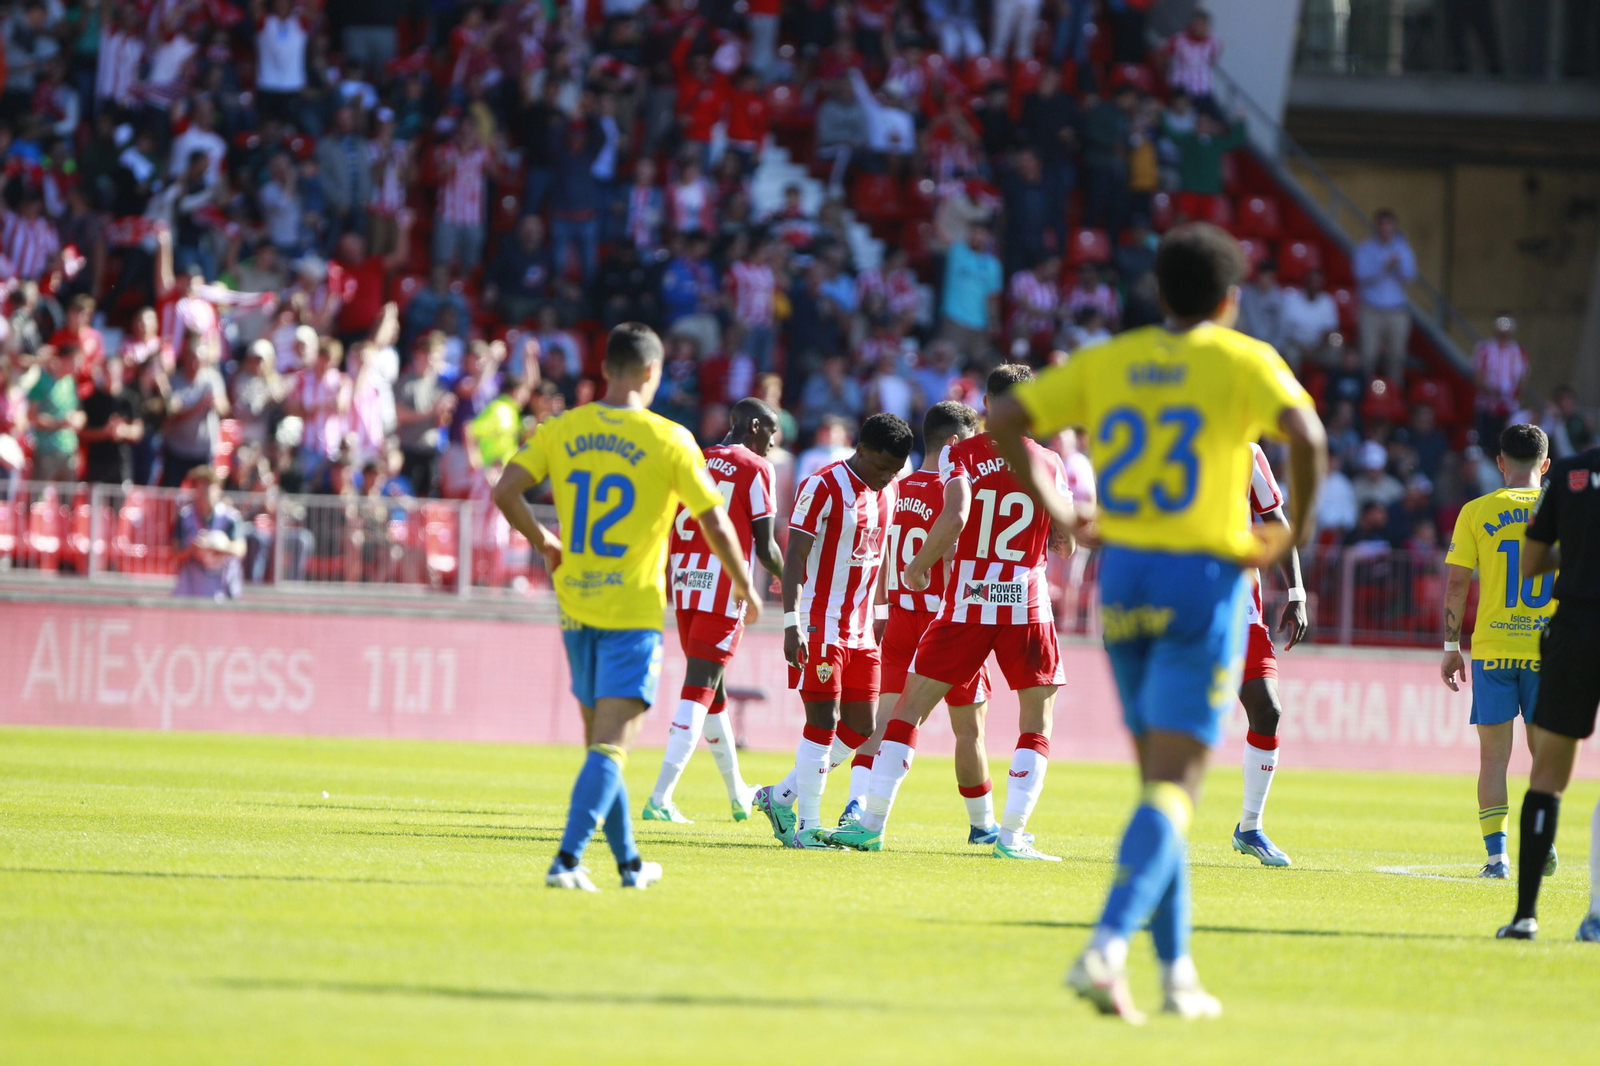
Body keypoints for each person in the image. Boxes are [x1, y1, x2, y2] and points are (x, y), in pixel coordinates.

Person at [989, 222, 1327, 1020]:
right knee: (1177, 785)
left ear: (1157, 292)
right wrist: (1293, 534)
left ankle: (1176, 977)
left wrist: (1065, 513)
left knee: (1157, 786)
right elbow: (1307, 436)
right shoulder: (1241, 359)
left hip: (1126, 575)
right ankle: (1107, 947)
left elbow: (1006, 415)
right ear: (1231, 298)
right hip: (1201, 576)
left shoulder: (1109, 360)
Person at [491, 323, 759, 892]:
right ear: (651, 373)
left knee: (600, 747)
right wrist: (745, 584)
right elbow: (714, 521)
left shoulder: (562, 428)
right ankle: (566, 861)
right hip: (632, 612)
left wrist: (544, 543)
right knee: (613, 747)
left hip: (575, 605)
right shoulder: (670, 439)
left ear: (605, 367)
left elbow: (505, 491)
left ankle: (629, 865)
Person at [828, 368, 1073, 859]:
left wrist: (918, 567)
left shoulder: (961, 454)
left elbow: (956, 516)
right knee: (1035, 720)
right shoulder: (1049, 461)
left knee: (908, 709)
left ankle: (871, 822)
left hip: (965, 603)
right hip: (1025, 602)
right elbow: (1064, 540)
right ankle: (1010, 836)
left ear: (986, 402)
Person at [752, 413, 915, 848]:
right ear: (860, 450)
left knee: (862, 727)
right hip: (820, 625)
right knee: (822, 722)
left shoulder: (891, 490)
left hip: (861, 630)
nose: (886, 478)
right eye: (881, 467)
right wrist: (792, 624)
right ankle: (808, 827)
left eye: (894, 471)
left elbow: (879, 556)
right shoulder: (822, 486)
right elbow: (795, 562)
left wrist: (880, 611)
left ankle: (779, 797)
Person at [836, 401, 997, 838]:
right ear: (956, 442)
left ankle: (856, 804)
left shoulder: (895, 487)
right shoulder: (956, 493)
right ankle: (983, 825)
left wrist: (882, 605)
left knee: (884, 720)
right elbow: (953, 550)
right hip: (948, 623)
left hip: (901, 618)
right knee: (969, 730)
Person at [645, 398, 786, 823]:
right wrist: (794, 580)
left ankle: (738, 793)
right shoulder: (757, 468)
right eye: (772, 434)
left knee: (713, 694)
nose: (773, 444)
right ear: (756, 427)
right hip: (724, 586)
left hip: (685, 580)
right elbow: (765, 546)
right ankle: (660, 797)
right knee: (699, 689)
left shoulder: (697, 458)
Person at [1495, 433, 1600, 942]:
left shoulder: (1572, 475)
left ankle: (1525, 916)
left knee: (1548, 779)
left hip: (1575, 633)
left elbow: (1533, 562)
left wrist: (1576, 556)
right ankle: (1596, 917)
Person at [1441, 425, 1558, 881]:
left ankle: (1497, 859)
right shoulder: (1565, 512)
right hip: (1548, 652)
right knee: (1545, 759)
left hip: (1492, 651)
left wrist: (1451, 647)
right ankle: (1542, 841)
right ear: (1545, 465)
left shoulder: (1476, 511)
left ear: (1500, 463)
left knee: (1493, 759)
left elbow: (1455, 584)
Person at [1229, 444, 1310, 867]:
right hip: (1185, 604)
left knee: (1269, 709)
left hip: (1241, 608)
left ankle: (1250, 826)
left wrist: (1296, 592)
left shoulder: (1248, 453)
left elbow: (1277, 522)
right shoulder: (1171, 438)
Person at [1352, 210, 1417, 384]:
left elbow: (1410, 276)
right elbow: (1360, 275)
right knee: (1368, 356)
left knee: (1396, 357)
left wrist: (1398, 264)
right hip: (1370, 309)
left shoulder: (1403, 248)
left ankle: (1393, 398)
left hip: (1397, 310)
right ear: (1376, 227)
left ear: (1395, 227)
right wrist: (1384, 266)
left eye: (1389, 225)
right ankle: (1366, 395)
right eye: (1382, 225)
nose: (1385, 229)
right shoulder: (1366, 248)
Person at [173, 466, 247, 601]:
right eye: (200, 487)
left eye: (208, 487)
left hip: (223, 584)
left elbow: (240, 549)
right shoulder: (185, 516)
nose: (204, 492)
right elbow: (175, 553)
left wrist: (216, 547)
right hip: (192, 586)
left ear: (219, 489)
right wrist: (192, 549)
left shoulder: (230, 517)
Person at [1472, 314, 1529, 456]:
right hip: (1487, 406)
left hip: (1510, 407)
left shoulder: (1519, 352)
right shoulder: (1485, 349)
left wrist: (1510, 394)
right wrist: (1491, 391)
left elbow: (1523, 379)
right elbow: (1478, 376)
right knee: (1486, 444)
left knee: (1509, 444)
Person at [26, 344, 83, 481]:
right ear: (62, 359)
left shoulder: (71, 383)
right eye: (74, 361)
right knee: (37, 497)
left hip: (69, 449)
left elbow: (79, 411)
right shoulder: (42, 382)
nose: (78, 366)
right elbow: (31, 416)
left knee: (68, 497)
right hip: (46, 450)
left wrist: (78, 420)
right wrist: (58, 424)